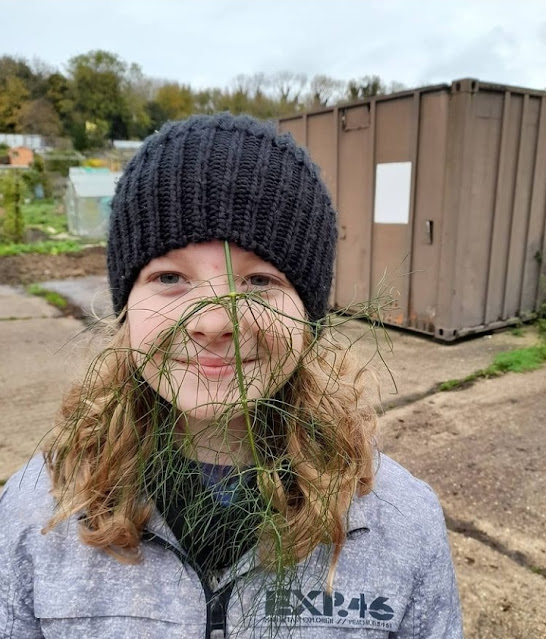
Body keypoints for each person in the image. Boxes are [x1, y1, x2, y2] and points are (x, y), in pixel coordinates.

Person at [0, 113, 463, 638]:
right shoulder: (37, 510)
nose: (214, 322)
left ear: (308, 318)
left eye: (260, 280)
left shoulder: (401, 522)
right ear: (125, 308)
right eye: (170, 278)